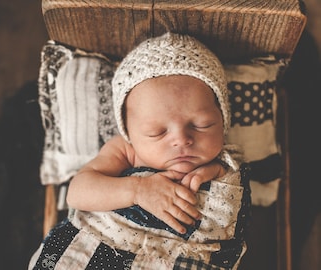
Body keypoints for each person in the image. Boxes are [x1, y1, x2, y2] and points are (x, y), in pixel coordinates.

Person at [29, 32, 250, 270]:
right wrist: (138, 190)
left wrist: (220, 173)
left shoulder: (224, 161)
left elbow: (229, 210)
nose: (182, 140)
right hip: (106, 250)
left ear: (222, 118)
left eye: (202, 124)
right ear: (130, 133)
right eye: (157, 132)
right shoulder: (126, 152)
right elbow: (78, 192)